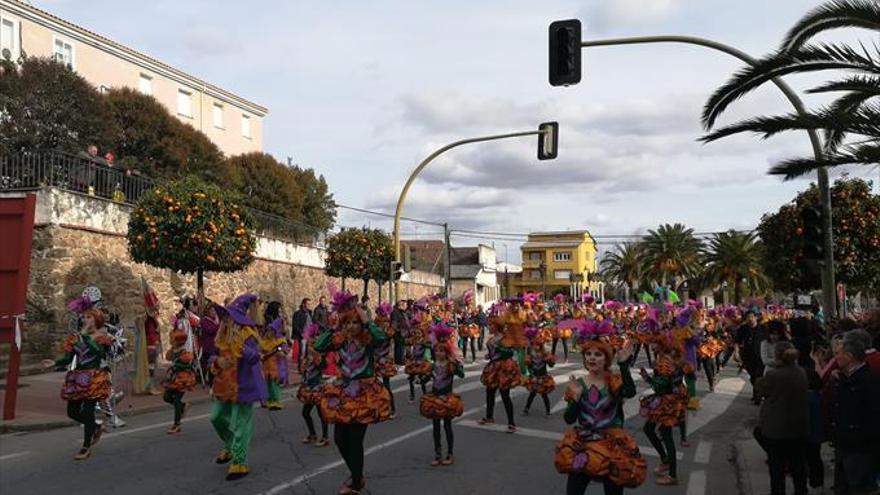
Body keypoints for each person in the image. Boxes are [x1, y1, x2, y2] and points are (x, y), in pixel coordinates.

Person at [314, 289, 392, 495]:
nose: (350, 327)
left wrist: (367, 322)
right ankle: (356, 475)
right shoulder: (339, 341)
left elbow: (382, 339)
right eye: (347, 323)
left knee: (355, 441)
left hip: (364, 394)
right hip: (343, 392)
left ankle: (356, 482)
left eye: (354, 323)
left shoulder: (367, 340)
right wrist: (331, 328)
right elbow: (319, 346)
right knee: (340, 439)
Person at [555, 319, 645, 495]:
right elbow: (569, 418)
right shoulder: (578, 384)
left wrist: (624, 366)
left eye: (598, 354)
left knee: (613, 491)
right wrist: (576, 398)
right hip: (583, 444)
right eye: (588, 354)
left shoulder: (614, 381)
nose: (592, 358)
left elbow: (629, 392)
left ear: (606, 359)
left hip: (611, 445)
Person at [209, 294, 268, 481]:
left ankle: (240, 462)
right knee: (216, 417)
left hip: (244, 386)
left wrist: (242, 349)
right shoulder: (222, 336)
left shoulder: (247, 335)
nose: (225, 320)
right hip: (224, 385)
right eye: (224, 316)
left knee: (241, 424)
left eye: (228, 317)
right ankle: (230, 445)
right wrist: (217, 361)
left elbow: (255, 357)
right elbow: (212, 357)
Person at [41, 308, 113, 460]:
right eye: (85, 317)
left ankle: (86, 446)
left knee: (88, 411)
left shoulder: (102, 337)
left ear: (97, 320)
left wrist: (84, 336)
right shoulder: (76, 338)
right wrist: (54, 363)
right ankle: (95, 427)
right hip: (77, 377)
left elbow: (99, 352)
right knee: (72, 411)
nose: (86, 320)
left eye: (90, 317)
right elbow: (69, 358)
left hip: (94, 378)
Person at [753, 342, 809, 495]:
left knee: (776, 467)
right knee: (798, 465)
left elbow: (759, 386)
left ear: (778, 356)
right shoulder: (801, 372)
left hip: (776, 428)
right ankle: (801, 491)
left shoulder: (774, 374)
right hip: (798, 426)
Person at [829, 330, 880, 495]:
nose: (835, 359)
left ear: (849, 356)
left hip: (859, 447)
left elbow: (873, 416)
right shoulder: (845, 378)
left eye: (838, 354)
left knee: (858, 487)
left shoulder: (868, 381)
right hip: (845, 443)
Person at [639, 335, 687, 486]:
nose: (650, 345)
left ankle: (672, 475)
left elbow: (661, 384)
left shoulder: (664, 361)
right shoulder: (666, 358)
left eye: (652, 342)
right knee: (649, 429)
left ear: (659, 345)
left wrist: (647, 378)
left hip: (668, 401)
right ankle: (665, 460)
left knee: (666, 436)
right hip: (669, 399)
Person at [419, 322, 465, 466]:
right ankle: (437, 453)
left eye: (442, 351)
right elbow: (425, 379)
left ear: (447, 352)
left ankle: (450, 453)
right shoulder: (432, 365)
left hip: (447, 399)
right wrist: (422, 377)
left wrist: (456, 365)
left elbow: (462, 374)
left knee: (447, 426)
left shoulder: (451, 365)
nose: (439, 353)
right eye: (437, 351)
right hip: (435, 398)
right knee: (436, 427)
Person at [479, 303, 522, 433]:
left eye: (491, 325)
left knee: (505, 395)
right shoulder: (492, 338)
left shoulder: (505, 337)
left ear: (497, 326)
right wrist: (489, 355)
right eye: (489, 324)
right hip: (493, 367)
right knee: (490, 392)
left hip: (504, 368)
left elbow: (509, 352)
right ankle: (489, 417)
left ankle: (511, 423)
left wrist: (498, 348)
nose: (489, 326)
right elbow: (493, 353)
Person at [297, 324, 329, 447]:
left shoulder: (320, 351)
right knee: (305, 413)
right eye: (311, 337)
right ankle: (312, 434)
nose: (313, 339)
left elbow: (323, 366)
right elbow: (305, 366)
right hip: (308, 386)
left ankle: (325, 437)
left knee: (321, 413)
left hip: (317, 386)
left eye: (315, 337)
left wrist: (317, 356)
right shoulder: (307, 351)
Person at [162, 328, 196, 434]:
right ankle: (183, 406)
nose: (170, 340)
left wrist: (178, 364)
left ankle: (176, 425)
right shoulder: (173, 350)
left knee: (176, 399)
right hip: (173, 378)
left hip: (183, 379)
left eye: (172, 339)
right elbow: (168, 357)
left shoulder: (185, 353)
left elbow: (188, 363)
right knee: (166, 397)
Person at [522, 326, 555, 416]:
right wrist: (530, 370)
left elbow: (551, 365)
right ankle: (526, 409)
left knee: (544, 395)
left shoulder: (545, 354)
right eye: (534, 345)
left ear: (541, 346)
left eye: (537, 345)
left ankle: (548, 411)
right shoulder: (531, 355)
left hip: (543, 377)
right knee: (532, 394)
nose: (535, 347)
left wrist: (550, 360)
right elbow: (528, 366)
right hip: (534, 377)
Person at [735, 310, 766, 404]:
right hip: (747, 356)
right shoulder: (743, 329)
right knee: (752, 376)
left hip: (761, 356)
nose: (750, 319)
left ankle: (758, 395)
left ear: (756, 317)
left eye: (752, 316)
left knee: (758, 375)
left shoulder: (763, 328)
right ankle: (757, 392)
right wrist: (736, 352)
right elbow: (737, 341)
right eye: (748, 317)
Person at [260, 314, 290, 411]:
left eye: (271, 331)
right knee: (268, 383)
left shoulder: (280, 340)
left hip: (276, 365)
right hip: (266, 364)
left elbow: (284, 349)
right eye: (268, 330)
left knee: (274, 383)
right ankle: (269, 400)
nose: (269, 333)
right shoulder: (264, 340)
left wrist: (279, 349)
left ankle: (276, 400)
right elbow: (262, 349)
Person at [373, 303, 398, 418]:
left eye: (386, 322)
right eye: (383, 322)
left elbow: (392, 343)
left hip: (385, 361)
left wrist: (391, 356)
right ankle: (379, 408)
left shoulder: (388, 333)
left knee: (387, 386)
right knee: (374, 386)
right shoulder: (375, 334)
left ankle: (392, 409)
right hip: (376, 361)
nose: (385, 324)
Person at [292, 298, 312, 365]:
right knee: (302, 352)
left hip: (309, 336)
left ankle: (305, 368)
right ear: (303, 304)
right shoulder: (298, 313)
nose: (309, 305)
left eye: (310, 304)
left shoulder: (309, 313)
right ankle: (301, 367)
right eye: (308, 304)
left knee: (308, 353)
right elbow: (295, 325)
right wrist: (301, 333)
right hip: (302, 336)